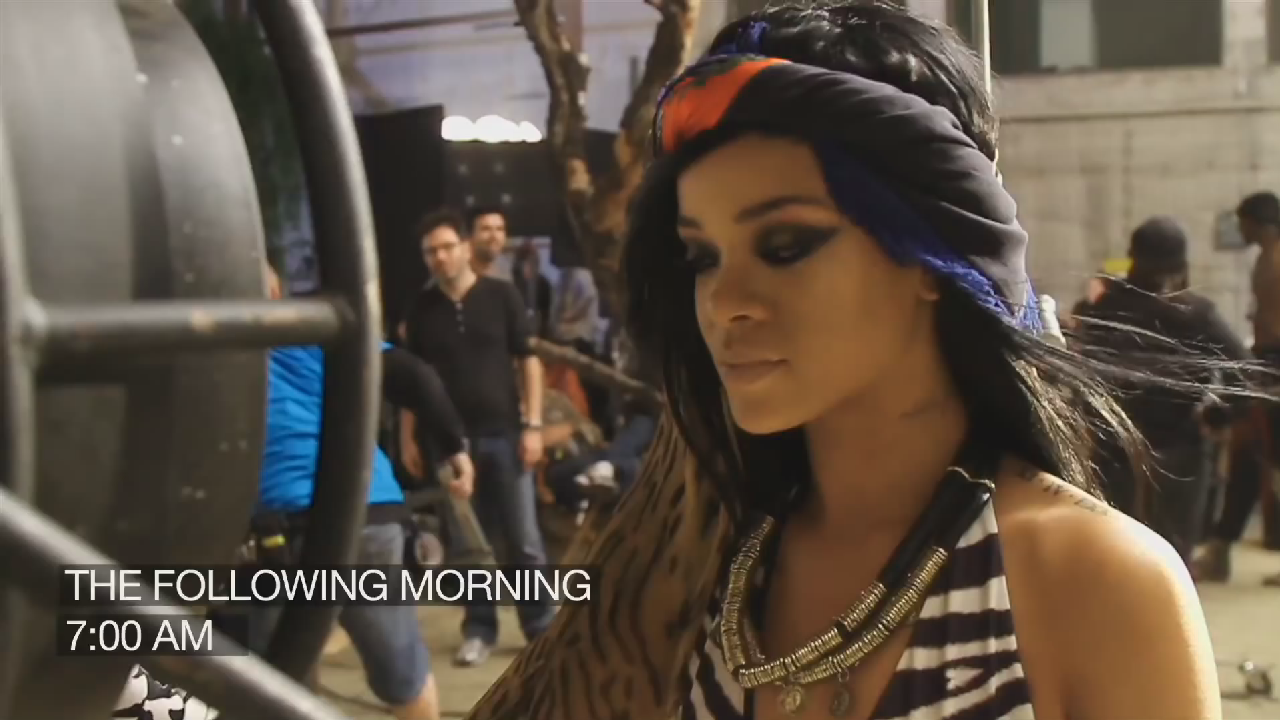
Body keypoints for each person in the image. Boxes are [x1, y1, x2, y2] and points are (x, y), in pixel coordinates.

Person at [464, 4, 1237, 720]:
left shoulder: (1097, 585)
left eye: (785, 245)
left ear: (933, 260)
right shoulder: (700, 571)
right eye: (702, 256)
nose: (724, 302)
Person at [248, 267, 473, 720]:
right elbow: (415, 377)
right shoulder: (316, 334)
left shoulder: (217, 350)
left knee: (274, 681)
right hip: (360, 513)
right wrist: (456, 448)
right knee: (401, 673)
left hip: (293, 528)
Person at [402, 209, 556, 667]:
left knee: (524, 539)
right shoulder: (421, 310)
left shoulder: (502, 296)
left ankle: (541, 628)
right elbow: (413, 380)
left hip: (506, 434)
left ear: (465, 247)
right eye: (430, 251)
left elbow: (528, 361)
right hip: (449, 444)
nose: (440, 257)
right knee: (470, 543)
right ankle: (480, 629)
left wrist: (533, 425)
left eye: (447, 247)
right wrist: (408, 437)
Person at [1076, 217, 1250, 559]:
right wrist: (1219, 416)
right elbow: (1244, 369)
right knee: (1174, 553)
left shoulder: (1106, 309)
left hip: (1119, 445)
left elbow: (1086, 374)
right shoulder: (1196, 312)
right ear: (1181, 263)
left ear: (1132, 257)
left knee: (1117, 549)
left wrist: (1090, 423)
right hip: (1180, 444)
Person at [1193, 191, 1280, 586]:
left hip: (1272, 368)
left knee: (1254, 458)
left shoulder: (1274, 260)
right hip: (1265, 365)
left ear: (1255, 222)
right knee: (1248, 457)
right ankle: (1220, 549)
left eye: (1242, 222)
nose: (1239, 229)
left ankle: (1220, 549)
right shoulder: (1266, 258)